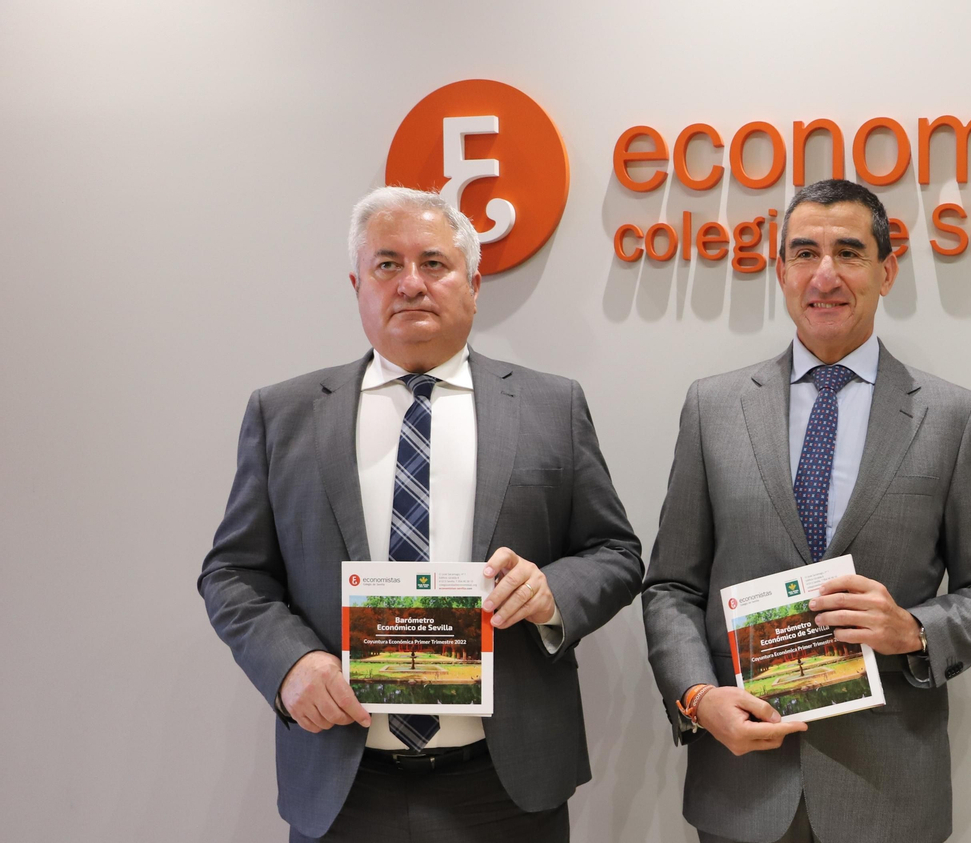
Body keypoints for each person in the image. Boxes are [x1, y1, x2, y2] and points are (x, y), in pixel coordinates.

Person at [198, 187, 643, 842]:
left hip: (505, 783)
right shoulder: (283, 414)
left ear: (474, 283)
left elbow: (616, 552)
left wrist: (552, 593)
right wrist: (290, 663)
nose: (411, 284)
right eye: (387, 265)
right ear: (357, 284)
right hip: (344, 784)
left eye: (434, 263)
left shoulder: (552, 406)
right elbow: (232, 573)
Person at [642, 179, 971, 843]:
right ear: (780, 270)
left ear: (887, 270)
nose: (825, 274)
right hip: (742, 787)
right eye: (805, 253)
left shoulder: (952, 417)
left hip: (887, 794)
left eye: (848, 252)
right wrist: (699, 700)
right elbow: (671, 585)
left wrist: (914, 628)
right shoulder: (714, 408)